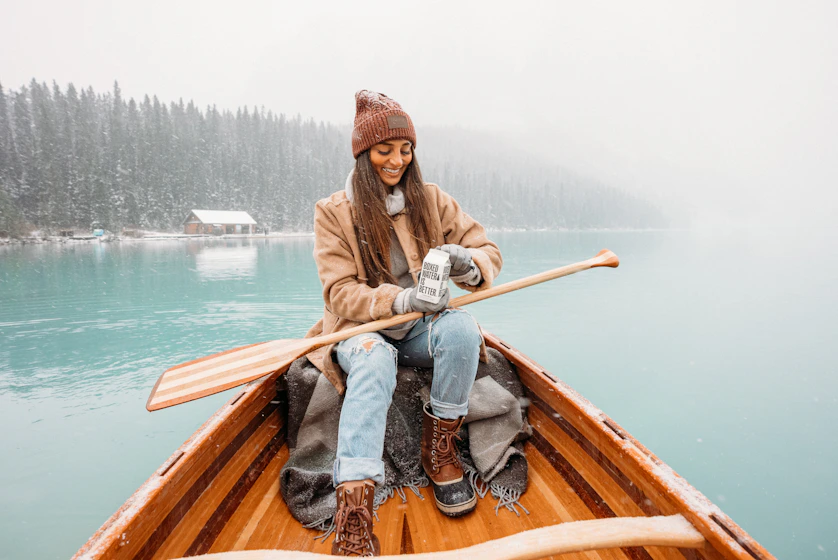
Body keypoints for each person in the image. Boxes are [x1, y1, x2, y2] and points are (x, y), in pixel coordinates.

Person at [305, 90, 502, 556]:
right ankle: (355, 508)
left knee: (461, 329)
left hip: (420, 330)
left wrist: (467, 262)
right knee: (373, 362)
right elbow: (339, 293)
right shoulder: (332, 212)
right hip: (360, 332)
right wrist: (401, 299)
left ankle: (440, 452)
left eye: (405, 149)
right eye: (384, 150)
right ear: (362, 154)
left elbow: (488, 251)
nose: (397, 160)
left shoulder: (431, 199)